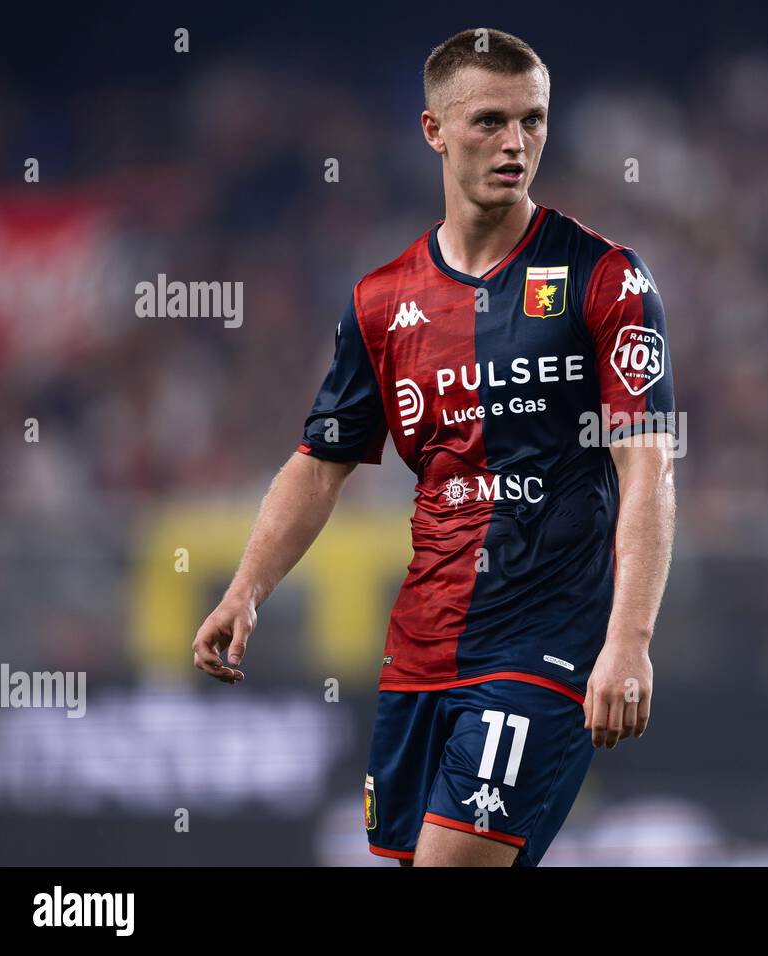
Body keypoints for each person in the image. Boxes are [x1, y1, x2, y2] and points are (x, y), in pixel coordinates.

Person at [191, 27, 677, 867]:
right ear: (434, 131)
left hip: (545, 641)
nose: (515, 143)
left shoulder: (606, 277)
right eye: (489, 120)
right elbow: (320, 463)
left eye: (533, 120)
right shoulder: (382, 302)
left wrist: (629, 639)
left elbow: (648, 469)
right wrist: (247, 589)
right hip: (420, 647)